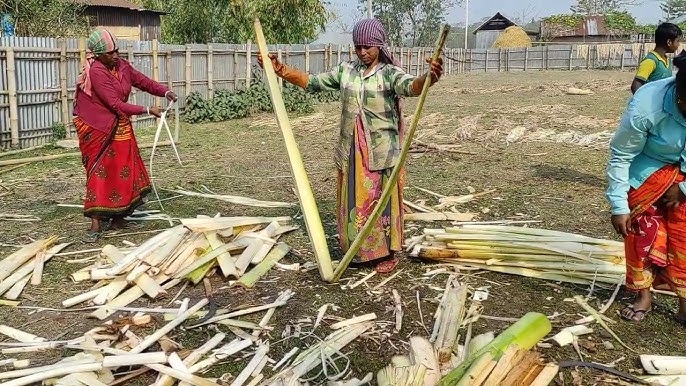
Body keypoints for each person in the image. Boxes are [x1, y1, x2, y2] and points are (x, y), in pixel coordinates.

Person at [259, 18, 444, 273]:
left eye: (367, 46)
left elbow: (411, 87)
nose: (362, 52)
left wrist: (429, 78)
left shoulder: (389, 74)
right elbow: (313, 82)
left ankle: (386, 253)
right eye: (358, 47)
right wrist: (280, 70)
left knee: (381, 199)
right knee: (355, 198)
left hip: (381, 151)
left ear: (379, 45)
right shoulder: (347, 71)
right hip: (351, 149)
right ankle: (356, 248)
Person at [73, 28, 177, 243]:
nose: (115, 55)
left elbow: (142, 81)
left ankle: (119, 217)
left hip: (119, 122)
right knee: (100, 171)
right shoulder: (97, 71)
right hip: (97, 126)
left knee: (123, 168)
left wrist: (164, 92)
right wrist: (148, 111)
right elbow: (114, 103)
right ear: (98, 55)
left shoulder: (121, 66)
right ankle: (95, 223)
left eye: (116, 51)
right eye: (110, 53)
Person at [606, 52, 686, 324]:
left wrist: (683, 189)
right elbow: (621, 156)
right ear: (679, 93)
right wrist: (619, 206)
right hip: (649, 168)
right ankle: (643, 295)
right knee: (641, 227)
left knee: (683, 233)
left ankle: (685, 301)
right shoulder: (646, 105)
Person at [631, 22, 682, 94]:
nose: (679, 44)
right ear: (669, 42)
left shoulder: (667, 59)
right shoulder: (650, 61)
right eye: (678, 41)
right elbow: (636, 86)